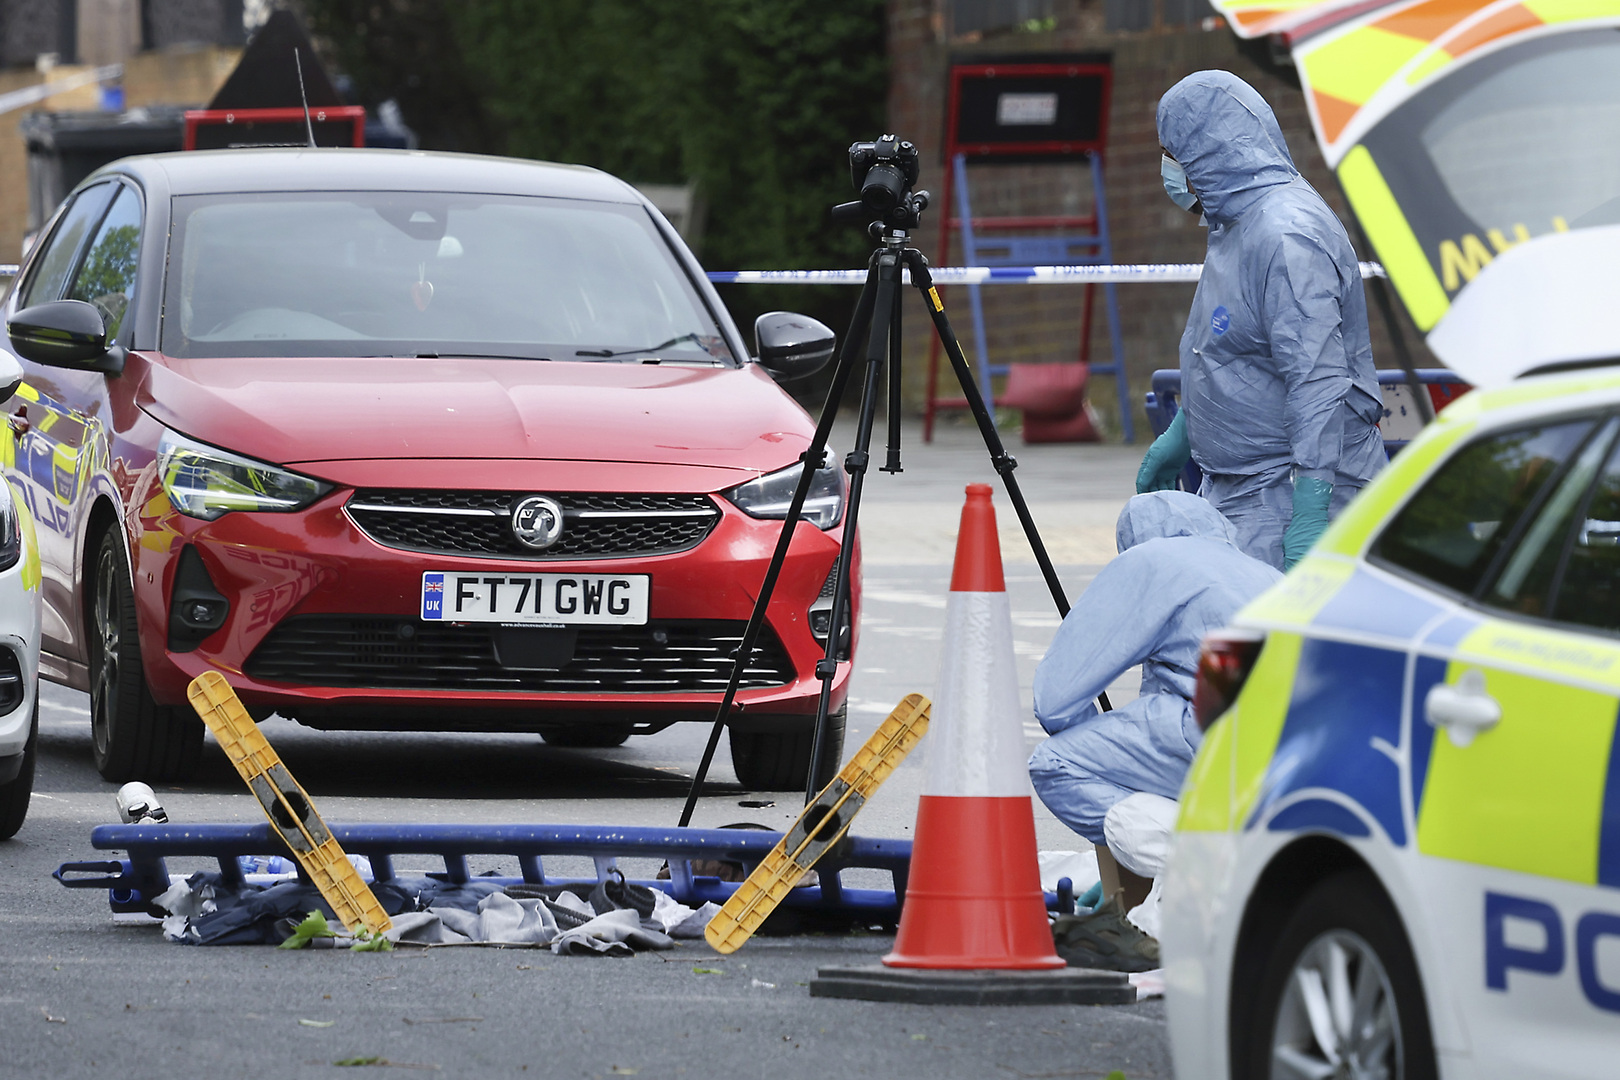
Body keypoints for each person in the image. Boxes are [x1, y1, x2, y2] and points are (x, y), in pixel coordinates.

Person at [1137, 70, 1386, 571]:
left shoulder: (1286, 236)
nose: (1168, 168)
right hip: (1245, 491)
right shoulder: (1236, 225)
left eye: (1173, 152)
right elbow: (1234, 350)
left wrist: (1312, 510)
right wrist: (1185, 432)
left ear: (1208, 152)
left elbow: (1316, 379)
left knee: (1264, 647)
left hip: (1289, 494)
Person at [1028, 491, 1281, 970]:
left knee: (1056, 762)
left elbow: (1055, 699)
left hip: (1216, 736)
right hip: (1293, 753)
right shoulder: (1260, 570)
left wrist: (1116, 796)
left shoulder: (1151, 559)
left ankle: (1189, 865)